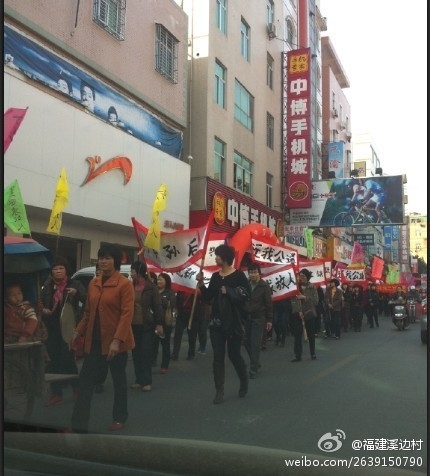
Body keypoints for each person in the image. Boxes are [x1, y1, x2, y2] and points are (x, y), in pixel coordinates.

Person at [69, 244, 135, 432]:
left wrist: (117, 340)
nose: (103, 261)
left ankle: (119, 417)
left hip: (116, 343)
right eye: (101, 258)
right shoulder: (93, 283)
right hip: (94, 342)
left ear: (116, 261)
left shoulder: (124, 284)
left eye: (107, 258)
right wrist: (77, 332)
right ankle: (78, 424)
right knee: (85, 382)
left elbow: (126, 315)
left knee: (118, 381)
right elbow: (88, 313)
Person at [196, 244, 251, 404]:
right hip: (216, 322)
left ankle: (244, 379)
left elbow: (246, 294)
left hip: (234, 322)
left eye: (218, 255)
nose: (215, 258)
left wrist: (230, 291)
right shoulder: (215, 277)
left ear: (225, 258)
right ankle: (219, 390)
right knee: (218, 357)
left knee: (234, 354)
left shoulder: (239, 276)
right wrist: (201, 284)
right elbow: (208, 298)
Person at [41, 257, 87, 407]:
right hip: (51, 327)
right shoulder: (47, 285)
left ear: (66, 270)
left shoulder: (75, 284)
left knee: (67, 358)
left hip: (69, 327)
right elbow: (40, 303)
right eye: (55, 269)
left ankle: (77, 387)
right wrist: (43, 310)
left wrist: (76, 294)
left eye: (61, 268)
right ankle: (56, 393)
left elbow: (87, 300)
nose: (58, 271)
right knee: (53, 360)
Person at [129, 260, 163, 392]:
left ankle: (147, 381)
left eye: (133, 271)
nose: (131, 273)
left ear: (139, 272)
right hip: (133, 324)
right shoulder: (130, 285)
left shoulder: (151, 287)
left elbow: (157, 305)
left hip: (147, 324)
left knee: (145, 352)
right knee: (136, 353)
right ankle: (139, 380)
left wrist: (159, 323)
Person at [244, 263, 273, 379]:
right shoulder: (246, 285)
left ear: (259, 273)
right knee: (246, 341)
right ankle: (255, 362)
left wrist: (269, 320)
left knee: (255, 343)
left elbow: (269, 304)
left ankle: (253, 369)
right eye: (251, 272)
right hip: (247, 317)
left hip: (259, 318)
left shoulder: (264, 286)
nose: (253, 274)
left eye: (255, 272)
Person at [290, 269, 319, 362]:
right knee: (297, 336)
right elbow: (293, 301)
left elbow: (316, 301)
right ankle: (297, 355)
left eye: (303, 276)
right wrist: (298, 311)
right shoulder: (295, 287)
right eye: (300, 276)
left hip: (309, 313)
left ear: (307, 277)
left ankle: (312, 353)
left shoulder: (312, 287)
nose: (301, 278)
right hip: (297, 314)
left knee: (311, 334)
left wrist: (305, 297)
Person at [153, 272, 177, 374]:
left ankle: (164, 365)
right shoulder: (154, 291)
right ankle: (152, 360)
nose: (158, 281)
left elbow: (171, 304)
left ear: (166, 281)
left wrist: (159, 299)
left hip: (165, 322)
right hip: (153, 321)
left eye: (161, 279)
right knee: (153, 343)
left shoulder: (170, 293)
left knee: (165, 344)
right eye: (158, 279)